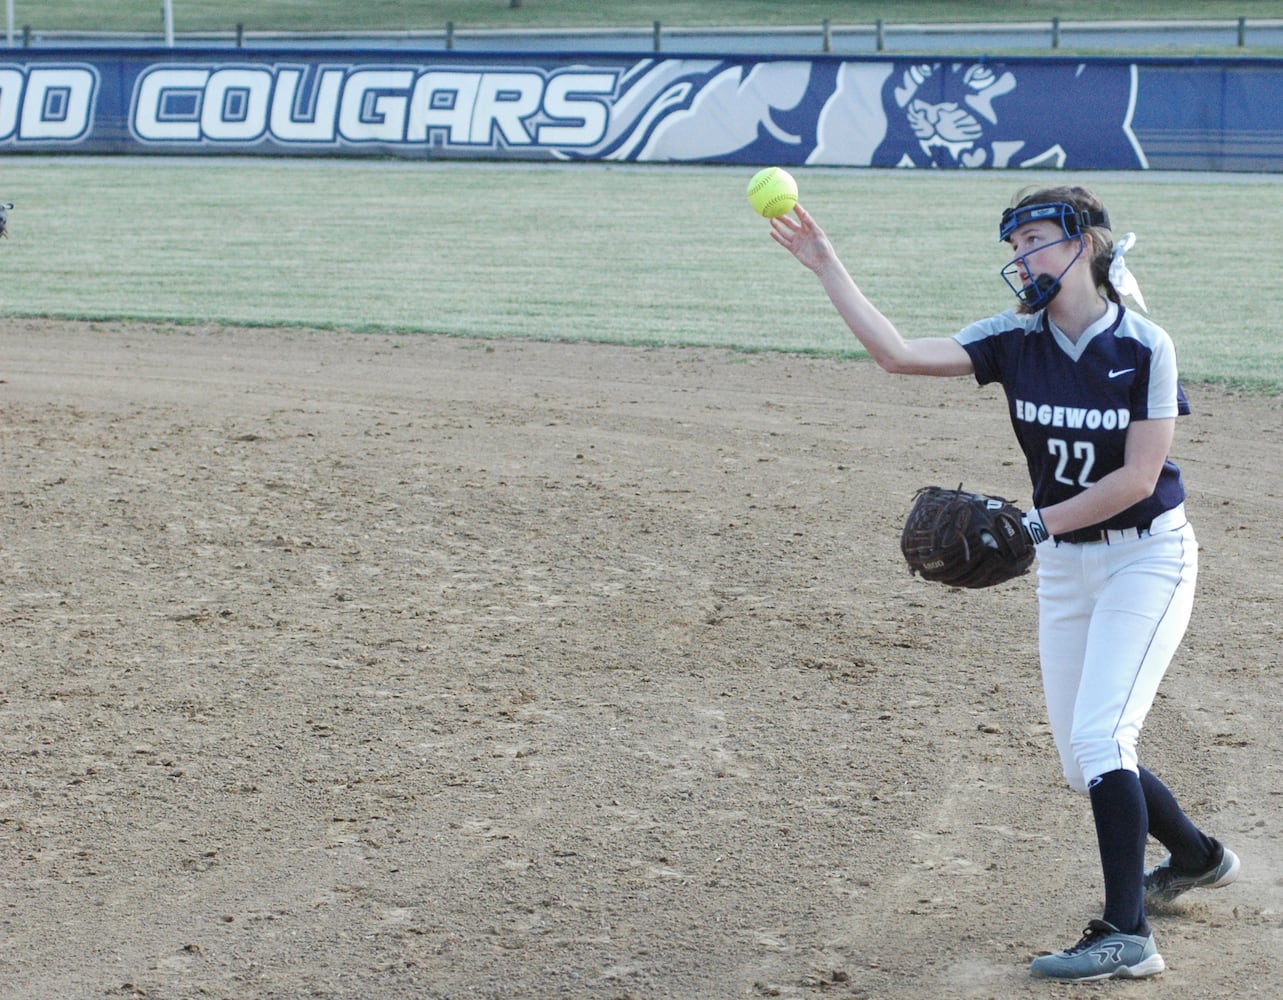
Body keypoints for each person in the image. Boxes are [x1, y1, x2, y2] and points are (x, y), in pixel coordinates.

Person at [769, 185, 1239, 981]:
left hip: (1145, 558)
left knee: (1100, 739)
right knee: (1081, 757)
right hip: (1063, 567)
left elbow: (1137, 478)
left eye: (1036, 239)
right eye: (1014, 243)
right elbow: (897, 354)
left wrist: (1030, 524)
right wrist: (826, 265)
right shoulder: (1013, 339)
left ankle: (1125, 934)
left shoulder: (1144, 345)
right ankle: (1195, 857)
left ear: (1085, 243)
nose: (1021, 256)